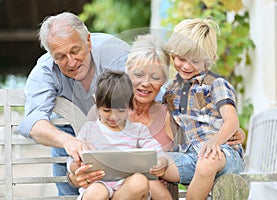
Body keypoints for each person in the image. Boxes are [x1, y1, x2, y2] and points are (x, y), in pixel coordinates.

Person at [69, 33, 245, 199]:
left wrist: (234, 133)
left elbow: (199, 141)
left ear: (163, 81)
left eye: (155, 77)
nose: (145, 83)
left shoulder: (171, 112)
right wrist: (75, 176)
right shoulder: (105, 110)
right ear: (128, 71)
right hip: (102, 192)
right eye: (138, 75)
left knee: (139, 181)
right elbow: (79, 160)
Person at [16, 12, 130, 195]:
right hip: (70, 138)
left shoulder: (116, 53)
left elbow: (149, 100)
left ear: (88, 41)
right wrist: (68, 142)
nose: (71, 62)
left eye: (75, 51)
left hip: (122, 134)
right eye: (60, 56)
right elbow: (33, 121)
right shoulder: (44, 70)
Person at [161, 18, 245, 200]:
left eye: (195, 61)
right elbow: (167, 123)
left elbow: (232, 121)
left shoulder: (216, 84)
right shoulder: (171, 90)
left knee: (207, 162)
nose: (186, 66)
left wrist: (214, 142)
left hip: (223, 154)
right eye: (181, 58)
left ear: (209, 60)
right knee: (152, 163)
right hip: (191, 156)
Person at [67, 70, 169, 200]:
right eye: (106, 110)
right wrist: (77, 165)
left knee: (139, 181)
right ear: (96, 103)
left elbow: (157, 153)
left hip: (126, 190)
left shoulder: (138, 131)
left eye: (120, 111)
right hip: (98, 185)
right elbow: (71, 161)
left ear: (130, 103)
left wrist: (160, 162)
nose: (113, 117)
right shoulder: (89, 130)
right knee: (98, 191)